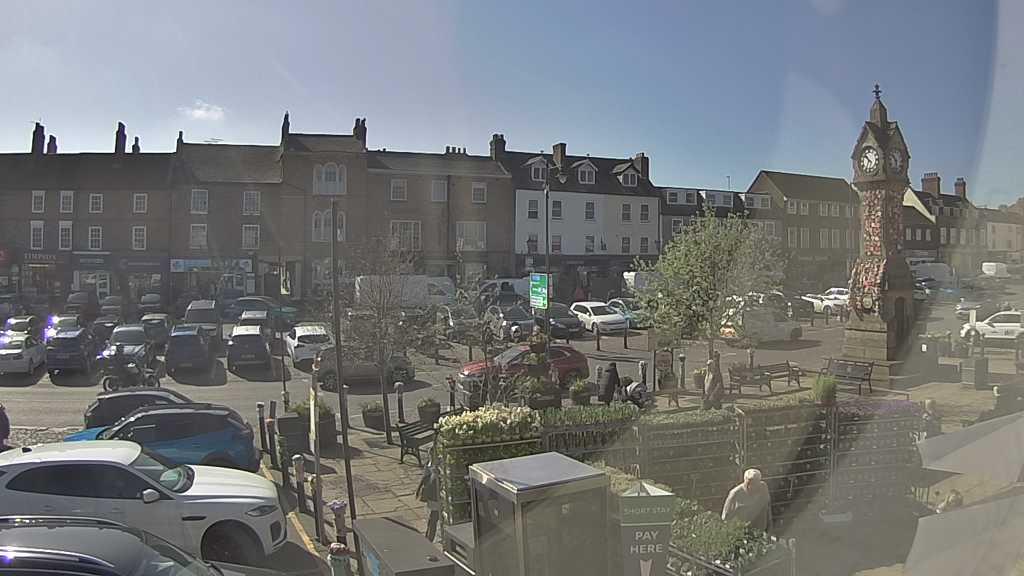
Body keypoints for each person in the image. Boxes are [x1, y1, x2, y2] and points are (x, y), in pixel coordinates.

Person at [416, 444, 441, 541]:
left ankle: (430, 537)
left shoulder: (440, 464)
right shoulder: (429, 464)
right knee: (433, 517)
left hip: (438, 493)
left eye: (431, 454)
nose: (430, 456)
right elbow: (425, 476)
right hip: (432, 493)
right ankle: (429, 536)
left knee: (434, 517)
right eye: (429, 454)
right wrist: (418, 489)